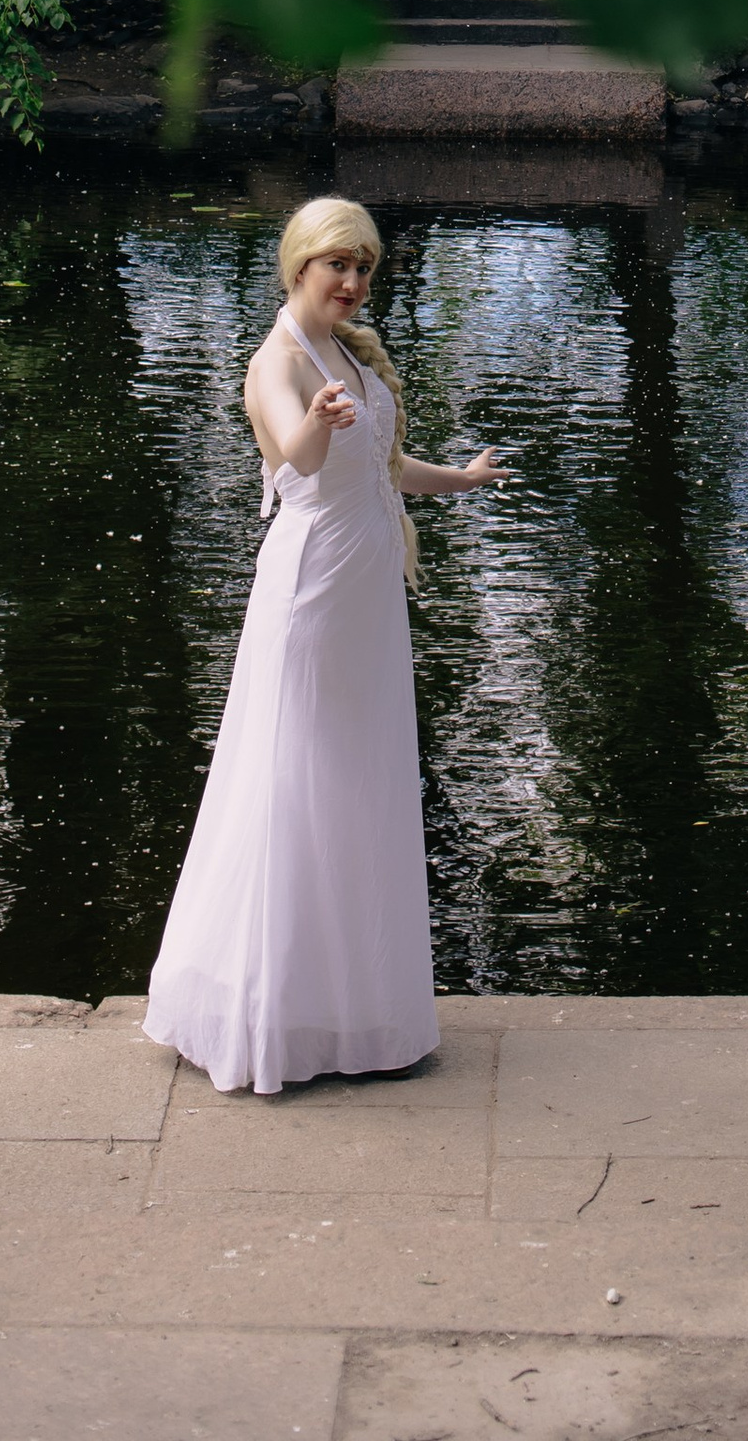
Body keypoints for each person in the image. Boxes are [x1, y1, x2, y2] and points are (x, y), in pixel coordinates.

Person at [142, 194, 501, 1093]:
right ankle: (276, 1014)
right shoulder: (278, 362)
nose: (352, 281)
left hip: (364, 596)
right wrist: (315, 420)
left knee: (360, 779)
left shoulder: (346, 353)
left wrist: (460, 478)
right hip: (313, 595)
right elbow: (292, 460)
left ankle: (353, 1010)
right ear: (299, 265)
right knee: (297, 778)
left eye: (364, 267)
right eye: (338, 263)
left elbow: (382, 467)